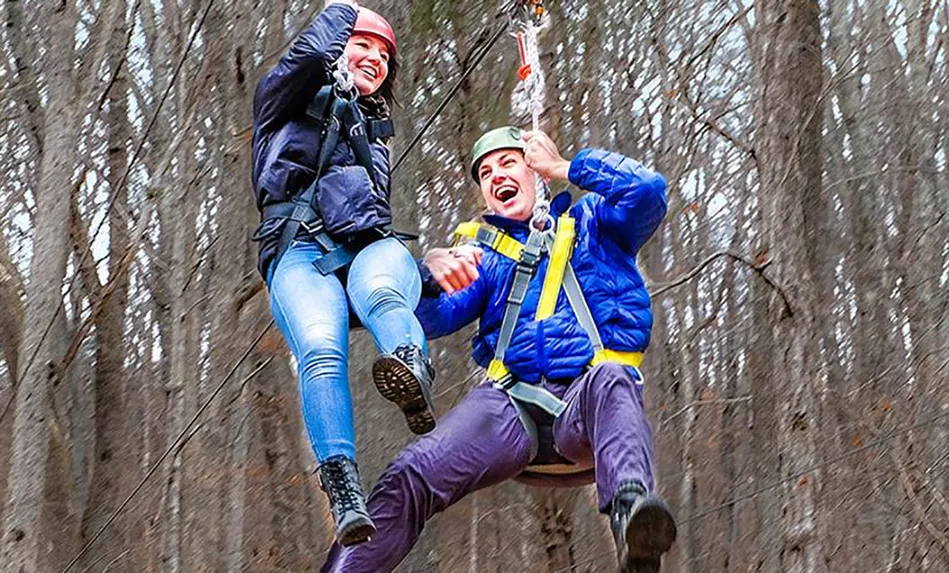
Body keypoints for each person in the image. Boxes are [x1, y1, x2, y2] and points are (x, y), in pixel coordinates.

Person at [322, 127, 677, 573]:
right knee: (411, 473)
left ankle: (633, 521)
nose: (495, 177)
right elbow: (432, 315)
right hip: (510, 406)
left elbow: (648, 190)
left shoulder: (597, 224)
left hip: (586, 405)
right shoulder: (483, 252)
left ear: (535, 173)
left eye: (508, 163)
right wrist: (423, 275)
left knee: (614, 379)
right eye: (485, 173)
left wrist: (567, 167)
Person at [250, 0, 436, 546]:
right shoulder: (281, 100)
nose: (376, 59)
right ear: (338, 46)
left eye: (385, 55)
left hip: (366, 250)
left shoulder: (373, 137)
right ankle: (344, 490)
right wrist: (343, 11)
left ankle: (411, 366)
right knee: (319, 347)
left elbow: (369, 220)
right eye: (364, 45)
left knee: (382, 290)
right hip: (299, 250)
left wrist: (426, 275)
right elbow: (308, 55)